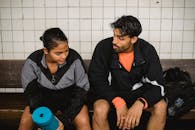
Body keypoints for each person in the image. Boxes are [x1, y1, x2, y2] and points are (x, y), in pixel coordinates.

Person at [88, 15, 167, 130]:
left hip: (138, 95)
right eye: (114, 35)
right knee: (100, 108)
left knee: (161, 106)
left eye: (121, 38)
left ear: (133, 39)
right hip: (111, 94)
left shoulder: (147, 50)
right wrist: (118, 101)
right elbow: (96, 81)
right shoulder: (103, 47)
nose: (114, 41)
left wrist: (141, 102)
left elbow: (159, 85)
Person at [18, 27, 92, 130]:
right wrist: (44, 119)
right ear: (46, 51)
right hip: (43, 102)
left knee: (83, 122)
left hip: (70, 101)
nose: (64, 56)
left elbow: (82, 90)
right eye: (58, 53)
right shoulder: (33, 61)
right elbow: (31, 92)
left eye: (66, 51)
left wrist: (65, 119)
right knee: (25, 121)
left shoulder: (74, 58)